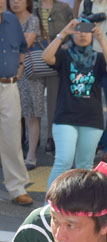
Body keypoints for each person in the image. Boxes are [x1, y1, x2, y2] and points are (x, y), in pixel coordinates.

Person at [43, 17, 107, 189]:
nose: (83, 35)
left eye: (87, 31)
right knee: (63, 161)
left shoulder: (98, 58)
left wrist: (102, 40)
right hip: (65, 118)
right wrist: (63, 33)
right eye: (78, 30)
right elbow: (46, 56)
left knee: (84, 166)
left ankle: (77, 206)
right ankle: (48, 206)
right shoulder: (64, 56)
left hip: (91, 120)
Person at [77, 0, 107, 164]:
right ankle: (91, 144)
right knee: (90, 105)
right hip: (91, 59)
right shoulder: (87, 3)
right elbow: (80, 30)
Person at [0, 0, 33, 206]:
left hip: (9, 85)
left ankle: (17, 188)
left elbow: (22, 46)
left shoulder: (11, 20)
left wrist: (20, 66)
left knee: (12, 137)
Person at [9, 0, 45, 170]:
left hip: (29, 72)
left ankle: (31, 155)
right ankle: (14, 156)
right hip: (7, 71)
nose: (15, 2)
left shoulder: (33, 20)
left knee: (31, 115)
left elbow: (24, 44)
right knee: (12, 116)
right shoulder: (5, 19)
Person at [34, 0, 74, 152]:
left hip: (56, 58)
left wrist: (66, 45)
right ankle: (33, 137)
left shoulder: (63, 8)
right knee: (34, 100)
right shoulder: (32, 8)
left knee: (53, 101)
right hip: (35, 57)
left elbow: (73, 31)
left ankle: (52, 137)